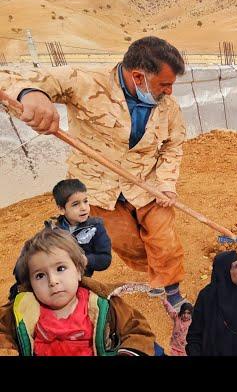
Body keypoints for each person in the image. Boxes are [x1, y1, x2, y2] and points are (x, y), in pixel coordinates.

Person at [0, 36, 190, 309]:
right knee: (130, 246)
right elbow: (12, 78)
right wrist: (31, 95)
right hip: (100, 189)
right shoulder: (85, 81)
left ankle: (171, 292)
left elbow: (173, 146)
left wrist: (168, 184)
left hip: (148, 184)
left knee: (165, 240)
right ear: (138, 76)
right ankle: (155, 273)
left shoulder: (168, 108)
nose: (170, 92)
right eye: (165, 84)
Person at [0, 227, 156, 356]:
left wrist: (128, 353)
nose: (53, 281)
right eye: (40, 275)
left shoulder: (102, 304)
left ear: (78, 270)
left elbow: (137, 328)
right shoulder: (22, 309)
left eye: (60, 268)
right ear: (30, 283)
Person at [8, 178, 112, 300]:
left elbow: (105, 259)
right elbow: (33, 253)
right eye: (75, 204)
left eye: (85, 201)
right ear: (61, 209)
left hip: (78, 282)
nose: (84, 208)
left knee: (99, 304)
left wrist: (86, 260)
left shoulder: (96, 227)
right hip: (52, 280)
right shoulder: (52, 229)